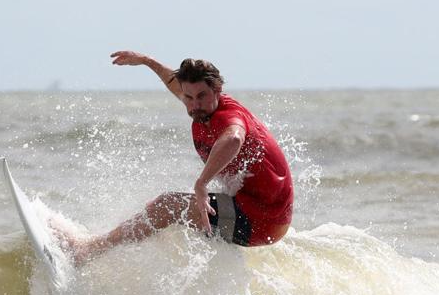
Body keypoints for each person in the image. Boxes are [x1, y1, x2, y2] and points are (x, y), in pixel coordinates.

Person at [53, 51, 294, 265]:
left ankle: (86, 252)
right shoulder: (200, 106)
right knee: (160, 210)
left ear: (218, 90)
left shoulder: (228, 116)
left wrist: (201, 183)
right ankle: (117, 263)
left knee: (168, 205)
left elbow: (233, 138)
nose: (194, 105)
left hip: (262, 220)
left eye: (201, 96)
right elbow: (175, 83)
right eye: (188, 98)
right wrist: (147, 61)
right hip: (253, 209)